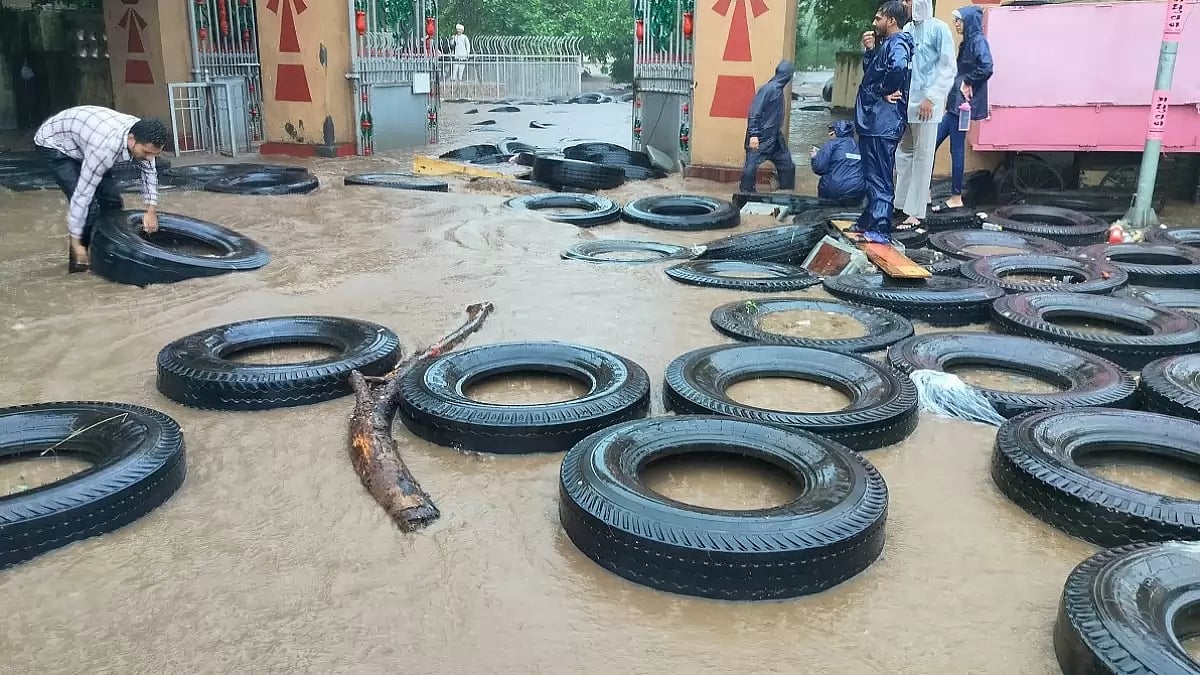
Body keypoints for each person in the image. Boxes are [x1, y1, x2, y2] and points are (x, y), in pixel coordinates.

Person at [33, 105, 168, 273]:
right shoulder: (104, 149)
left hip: (86, 137)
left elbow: (149, 173)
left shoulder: (144, 136)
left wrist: (151, 210)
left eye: (154, 154)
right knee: (89, 207)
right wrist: (77, 242)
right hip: (56, 144)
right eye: (146, 152)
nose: (149, 157)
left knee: (112, 202)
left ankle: (107, 254)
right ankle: (78, 266)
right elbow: (81, 198)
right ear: (131, 140)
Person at [852, 1, 913, 236]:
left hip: (883, 122)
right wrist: (870, 51)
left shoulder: (898, 44)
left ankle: (880, 228)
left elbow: (897, 67)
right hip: (873, 121)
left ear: (892, 21)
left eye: (878, 18)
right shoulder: (887, 45)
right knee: (872, 175)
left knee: (880, 176)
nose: (874, 23)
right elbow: (873, 74)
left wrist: (886, 90)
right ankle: (870, 219)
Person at [894, 0, 955, 229]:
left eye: (908, 0)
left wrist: (932, 97)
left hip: (928, 105)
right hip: (907, 104)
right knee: (904, 154)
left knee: (923, 157)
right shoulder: (908, 29)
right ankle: (900, 204)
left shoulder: (939, 29)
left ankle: (916, 213)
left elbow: (948, 67)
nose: (904, 3)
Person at [931, 5, 993, 213]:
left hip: (962, 106)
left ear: (968, 21)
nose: (956, 24)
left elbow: (987, 66)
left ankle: (956, 196)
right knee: (931, 144)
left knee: (956, 151)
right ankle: (925, 192)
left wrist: (968, 80)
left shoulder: (978, 42)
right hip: (954, 106)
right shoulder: (968, 42)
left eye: (959, 20)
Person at [739, 60, 796, 194]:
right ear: (786, 75)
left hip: (775, 137)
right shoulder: (768, 89)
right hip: (760, 136)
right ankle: (745, 194)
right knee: (751, 168)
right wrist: (754, 134)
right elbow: (754, 111)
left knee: (787, 165)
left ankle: (784, 193)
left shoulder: (778, 89)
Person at [810, 120, 866, 205]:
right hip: (856, 189)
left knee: (825, 211)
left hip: (833, 190)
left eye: (831, 131)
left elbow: (819, 168)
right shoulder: (860, 146)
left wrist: (815, 157)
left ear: (835, 132)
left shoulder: (831, 144)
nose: (829, 134)